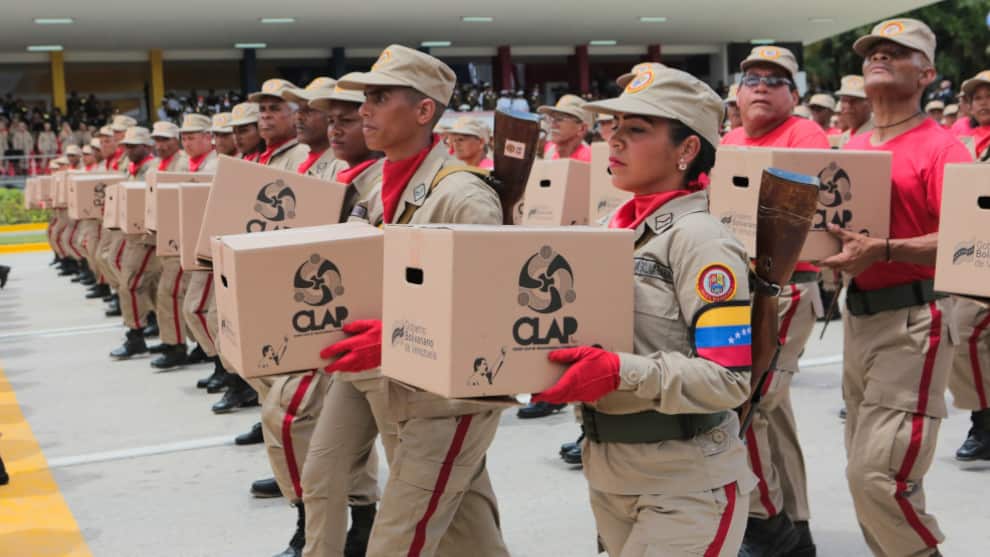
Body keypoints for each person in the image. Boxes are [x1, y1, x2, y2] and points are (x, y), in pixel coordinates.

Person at [534, 63, 754, 557]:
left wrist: (620, 371)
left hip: (684, 483)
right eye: (613, 126)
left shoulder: (702, 240)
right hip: (611, 472)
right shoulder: (612, 229)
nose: (614, 139)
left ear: (687, 149)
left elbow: (729, 379)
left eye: (636, 129)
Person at [321, 44, 511, 556]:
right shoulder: (375, 187)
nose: (364, 110)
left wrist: (394, 337)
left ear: (424, 110)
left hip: (447, 400)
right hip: (398, 383)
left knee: (397, 540)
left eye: (380, 98)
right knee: (467, 533)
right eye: (366, 98)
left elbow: (488, 313)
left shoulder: (463, 196)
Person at [823, 19, 972, 557]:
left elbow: (968, 238)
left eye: (896, 52)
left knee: (878, 477)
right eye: (873, 52)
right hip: (859, 318)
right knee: (869, 474)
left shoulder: (944, 149)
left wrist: (885, 249)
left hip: (915, 321)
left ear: (927, 74)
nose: (879, 57)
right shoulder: (854, 145)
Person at [721, 44, 826, 557]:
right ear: (737, 93)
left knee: (752, 402)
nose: (761, 86)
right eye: (752, 78)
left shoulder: (804, 135)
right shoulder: (730, 139)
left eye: (775, 80)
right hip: (743, 284)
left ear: (794, 94)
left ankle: (769, 526)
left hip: (786, 287)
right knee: (772, 409)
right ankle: (794, 524)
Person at [301, 76, 390, 557]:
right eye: (330, 121)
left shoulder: (392, 185)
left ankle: (365, 524)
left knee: (449, 505)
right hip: (351, 350)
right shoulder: (344, 182)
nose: (336, 129)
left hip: (394, 354)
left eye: (348, 120)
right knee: (321, 474)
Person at [109, 126, 160, 359]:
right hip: (135, 235)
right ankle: (151, 325)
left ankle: (136, 334)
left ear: (146, 147)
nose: (128, 150)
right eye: (126, 146)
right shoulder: (135, 168)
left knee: (130, 284)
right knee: (143, 286)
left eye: (133, 146)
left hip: (148, 237)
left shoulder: (152, 168)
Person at [538, 94, 594, 161]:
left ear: (582, 129)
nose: (553, 124)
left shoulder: (589, 160)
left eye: (559, 119)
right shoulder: (550, 151)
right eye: (551, 118)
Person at [835, 75, 873, 149]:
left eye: (855, 100)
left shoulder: (878, 134)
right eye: (844, 100)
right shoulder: (845, 137)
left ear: (870, 103)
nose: (848, 105)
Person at [959, 70, 990, 161]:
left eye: (989, 96)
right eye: (977, 98)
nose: (983, 102)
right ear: (971, 108)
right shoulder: (961, 143)